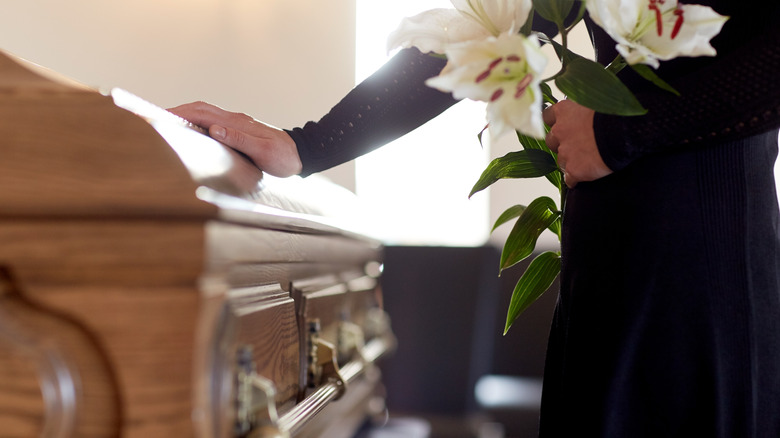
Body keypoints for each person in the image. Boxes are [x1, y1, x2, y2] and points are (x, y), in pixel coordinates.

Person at [170, 0, 780, 436]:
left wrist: (624, 131)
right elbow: (487, 32)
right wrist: (308, 146)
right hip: (611, 261)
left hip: (706, 267)